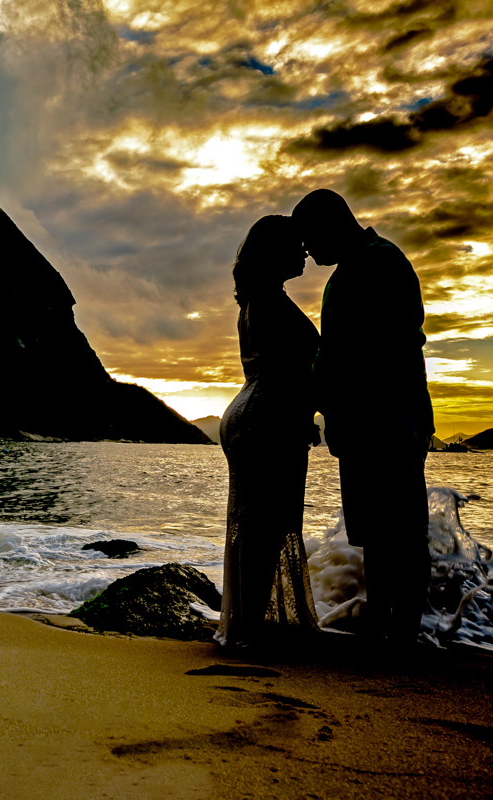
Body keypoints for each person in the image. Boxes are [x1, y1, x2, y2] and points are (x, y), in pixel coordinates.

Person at [291, 189, 433, 643]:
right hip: (374, 421)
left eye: (310, 241)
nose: (308, 254)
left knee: (399, 531)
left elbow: (351, 353)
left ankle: (401, 631)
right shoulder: (361, 266)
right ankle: (386, 627)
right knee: (380, 531)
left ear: (332, 224)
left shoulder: (376, 263)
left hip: (386, 419)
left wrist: (309, 397)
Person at [216, 215, 321, 649]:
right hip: (265, 421)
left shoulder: (260, 299)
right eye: (296, 246)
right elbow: (286, 374)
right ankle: (247, 632)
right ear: (274, 252)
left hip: (259, 416)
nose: (305, 252)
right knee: (262, 528)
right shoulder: (265, 303)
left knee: (259, 527)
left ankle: (246, 626)